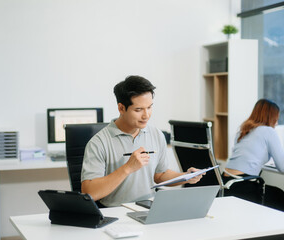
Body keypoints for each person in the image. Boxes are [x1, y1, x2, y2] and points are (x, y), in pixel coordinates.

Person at [81, 75, 204, 207]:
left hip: (149, 207)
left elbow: (160, 175)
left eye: (149, 107)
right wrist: (127, 168)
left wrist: (185, 176)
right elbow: (89, 192)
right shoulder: (98, 143)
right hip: (115, 212)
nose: (146, 115)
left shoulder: (156, 134)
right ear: (121, 108)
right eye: (138, 110)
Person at [223, 98, 284, 240]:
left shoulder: (243, 131)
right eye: (276, 118)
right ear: (271, 117)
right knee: (279, 195)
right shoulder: (268, 131)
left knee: (275, 194)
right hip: (243, 186)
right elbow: (283, 167)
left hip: (227, 184)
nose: (277, 122)